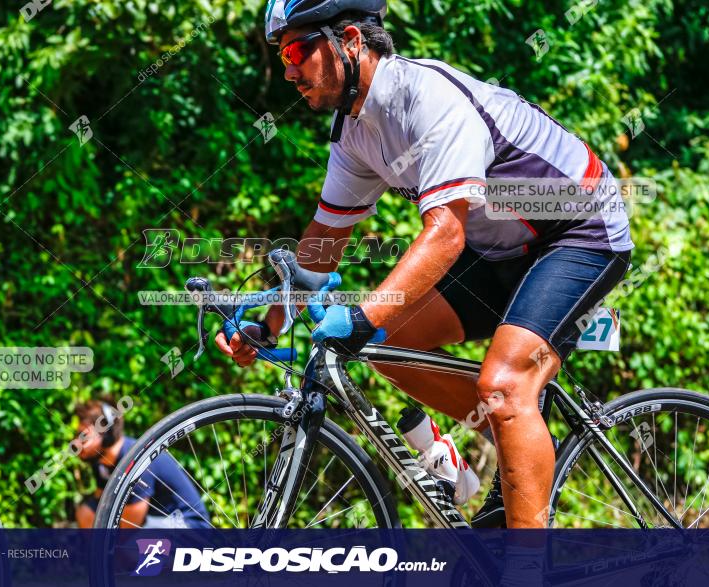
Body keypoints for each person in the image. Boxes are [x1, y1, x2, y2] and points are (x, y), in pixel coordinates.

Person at [216, 0, 632, 530]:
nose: (288, 69)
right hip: (499, 246)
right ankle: (515, 438)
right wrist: (271, 322)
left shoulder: (426, 98)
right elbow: (324, 239)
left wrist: (364, 314)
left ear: (349, 41)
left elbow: (446, 233)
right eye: (283, 55)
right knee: (386, 349)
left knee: (501, 386)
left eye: (298, 49)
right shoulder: (357, 129)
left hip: (578, 230)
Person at [74, 399, 211, 528]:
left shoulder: (137, 462)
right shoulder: (99, 462)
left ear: (107, 435)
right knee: (86, 512)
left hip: (188, 525)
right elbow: (100, 502)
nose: (76, 443)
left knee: (129, 544)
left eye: (83, 436)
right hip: (153, 522)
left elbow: (129, 528)